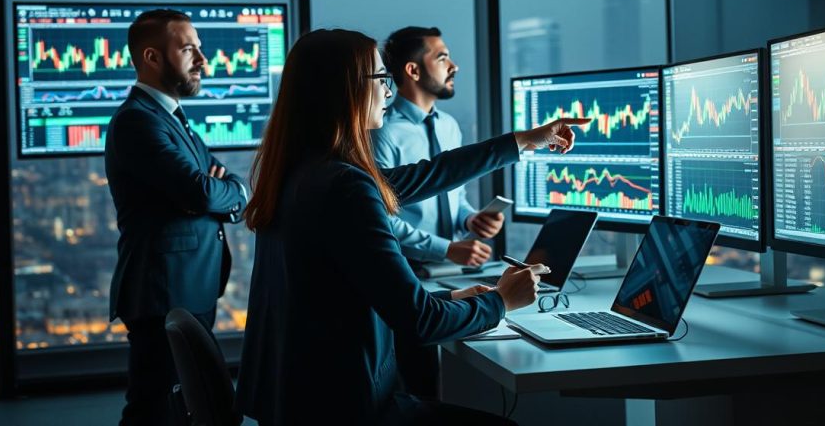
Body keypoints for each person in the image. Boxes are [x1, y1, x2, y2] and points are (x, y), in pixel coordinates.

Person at [235, 28, 588, 425]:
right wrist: (502, 301)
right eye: (380, 79)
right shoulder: (345, 187)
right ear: (347, 90)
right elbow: (421, 322)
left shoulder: (299, 173)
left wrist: (523, 141)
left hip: (298, 403)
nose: (388, 91)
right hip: (348, 409)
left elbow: (428, 176)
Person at [105, 9, 249, 426]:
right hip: (163, 290)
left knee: (183, 407)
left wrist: (227, 192)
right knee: (154, 409)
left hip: (186, 285)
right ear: (151, 57)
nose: (203, 60)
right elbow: (201, 191)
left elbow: (222, 187)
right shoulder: (137, 121)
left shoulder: (172, 120)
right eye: (189, 49)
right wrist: (217, 192)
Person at [372, 26, 500, 398]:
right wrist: (447, 248)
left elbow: (455, 196)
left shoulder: (449, 126)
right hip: (407, 271)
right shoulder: (384, 131)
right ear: (413, 70)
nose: (454, 66)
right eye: (442, 57)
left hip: (450, 273)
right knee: (419, 381)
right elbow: (380, 217)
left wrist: (469, 219)